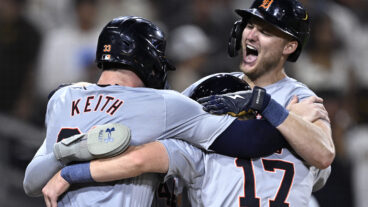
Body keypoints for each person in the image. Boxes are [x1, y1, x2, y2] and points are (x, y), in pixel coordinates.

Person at [39, 0, 335, 206]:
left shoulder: (301, 100)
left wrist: (270, 107)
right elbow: (151, 147)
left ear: (290, 46)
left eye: (266, 30)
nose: (252, 33)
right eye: (250, 25)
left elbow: (324, 155)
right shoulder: (208, 89)